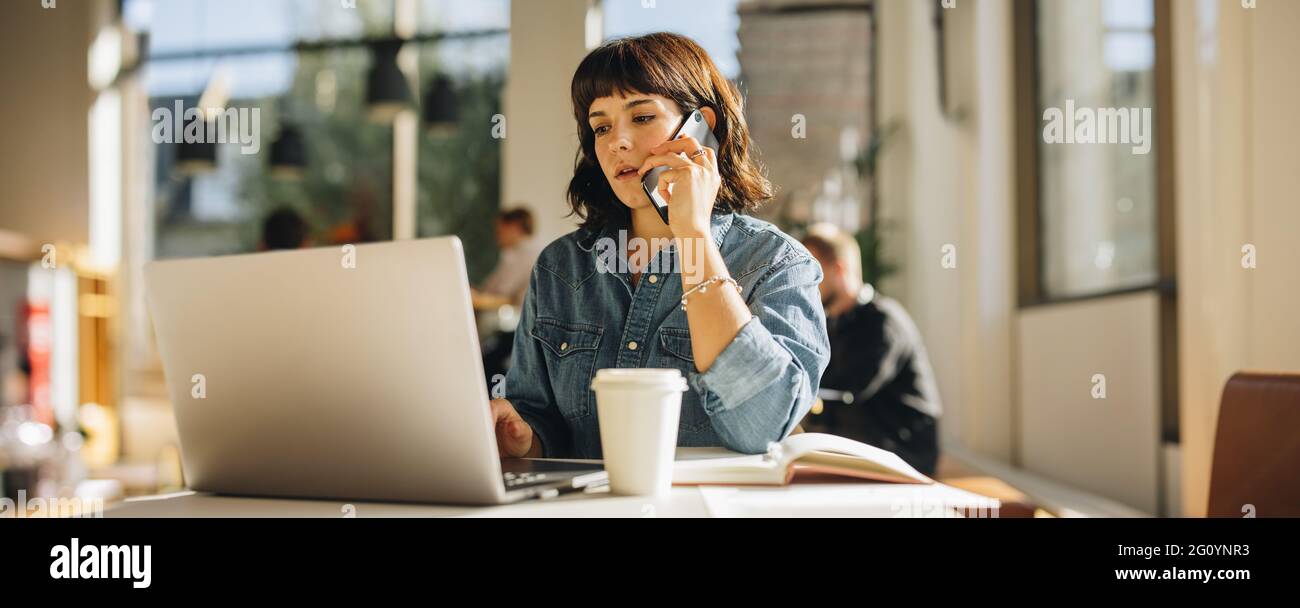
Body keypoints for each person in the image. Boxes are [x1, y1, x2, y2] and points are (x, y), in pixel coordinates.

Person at [487, 33, 830, 459]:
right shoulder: (561, 266)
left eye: (643, 117)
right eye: (601, 126)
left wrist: (692, 235)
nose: (618, 142)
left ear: (702, 126)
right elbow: (539, 417)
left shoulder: (775, 263)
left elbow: (762, 425)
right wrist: (524, 437)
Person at [800, 223, 942, 475]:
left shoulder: (884, 322)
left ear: (839, 269)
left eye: (813, 271)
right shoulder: (832, 322)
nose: (805, 283)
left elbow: (847, 392)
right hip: (863, 446)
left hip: (903, 454)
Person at [473, 207, 543, 309]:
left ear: (515, 227)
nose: (497, 237)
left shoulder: (526, 255)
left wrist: (476, 298)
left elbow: (503, 295)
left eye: (499, 231)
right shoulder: (519, 253)